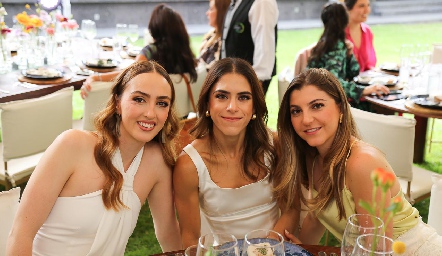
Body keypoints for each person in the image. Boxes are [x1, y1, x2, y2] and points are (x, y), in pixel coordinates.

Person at [7, 61, 182, 254]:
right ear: (117, 103)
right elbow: (21, 233)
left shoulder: (156, 162)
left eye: (161, 103)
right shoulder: (72, 146)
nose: (150, 113)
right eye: (139, 99)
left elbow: (168, 233)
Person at [275, 68, 442, 254]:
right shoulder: (312, 158)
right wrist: (298, 251)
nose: (306, 119)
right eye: (296, 111)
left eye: (317, 106)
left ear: (341, 108)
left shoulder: (362, 163)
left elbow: (376, 250)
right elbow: (317, 217)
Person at [173, 58, 297, 248]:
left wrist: (266, 250)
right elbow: (189, 237)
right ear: (207, 103)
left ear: (254, 106)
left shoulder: (275, 146)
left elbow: (291, 209)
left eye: (243, 97)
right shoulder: (189, 165)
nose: (232, 107)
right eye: (222, 96)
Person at [80, 4, 197, 99]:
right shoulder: (186, 55)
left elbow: (127, 73)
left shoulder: (151, 51)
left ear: (155, 27)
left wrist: (96, 77)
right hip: (177, 115)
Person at [307, 2, 389, 110]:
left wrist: (350, 56)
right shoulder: (335, 46)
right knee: (383, 106)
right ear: (345, 20)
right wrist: (364, 90)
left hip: (318, 100)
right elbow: (332, 83)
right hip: (331, 106)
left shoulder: (326, 42)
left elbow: (353, 73)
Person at [220, 0, 278, 95]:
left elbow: (264, 48)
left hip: (249, 83)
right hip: (233, 80)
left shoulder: (262, 2)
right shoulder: (236, 2)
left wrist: (256, 86)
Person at [198, 0, 231, 71]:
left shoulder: (224, 41)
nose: (207, 13)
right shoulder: (210, 35)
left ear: (221, 12)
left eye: (211, 9)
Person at [344, 0, 376, 72]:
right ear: (348, 8)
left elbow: (370, 64)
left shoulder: (367, 32)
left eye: (368, 5)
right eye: (361, 6)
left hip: (365, 81)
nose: (367, 10)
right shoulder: (338, 33)